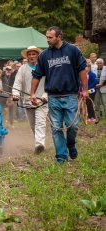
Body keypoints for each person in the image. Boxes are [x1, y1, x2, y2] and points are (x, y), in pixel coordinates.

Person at [30, 26, 88, 164]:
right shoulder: (44, 55)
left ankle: (71, 145)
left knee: (72, 126)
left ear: (59, 37)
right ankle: (61, 157)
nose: (47, 40)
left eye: (50, 37)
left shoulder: (73, 50)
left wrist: (85, 89)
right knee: (56, 128)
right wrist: (32, 93)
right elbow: (37, 75)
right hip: (53, 97)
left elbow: (82, 70)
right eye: (47, 37)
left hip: (71, 95)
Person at [13, 46, 48, 154]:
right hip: (27, 101)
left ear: (38, 55)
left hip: (42, 101)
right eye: (30, 54)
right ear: (27, 56)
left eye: (34, 54)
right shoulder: (23, 69)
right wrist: (15, 94)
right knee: (33, 125)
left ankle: (39, 144)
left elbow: (50, 83)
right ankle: (39, 143)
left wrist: (45, 95)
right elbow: (17, 83)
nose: (32, 56)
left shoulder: (44, 67)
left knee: (40, 123)